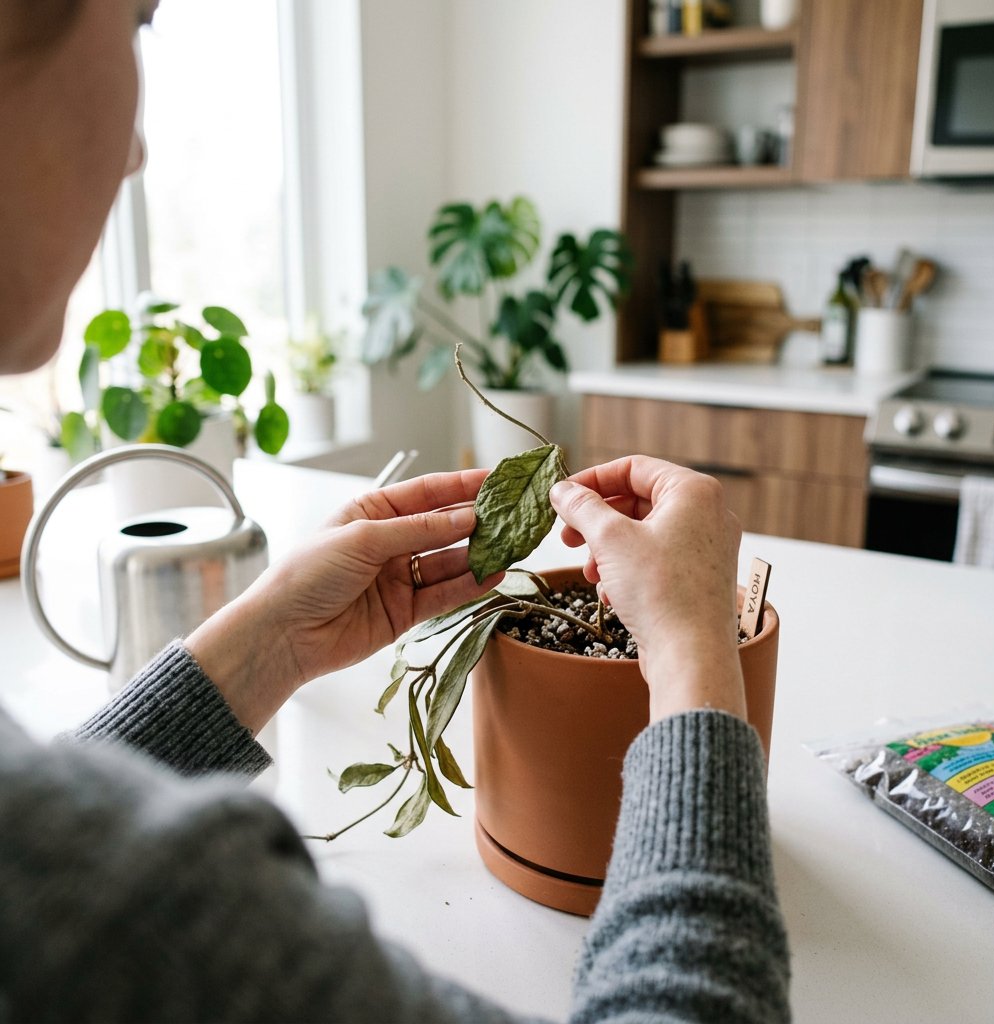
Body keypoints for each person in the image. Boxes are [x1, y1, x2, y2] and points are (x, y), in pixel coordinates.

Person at [0, 1, 791, 1021]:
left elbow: (58, 841)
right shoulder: (140, 915)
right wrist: (691, 653)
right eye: (141, 21)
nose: (142, 146)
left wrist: (267, 642)